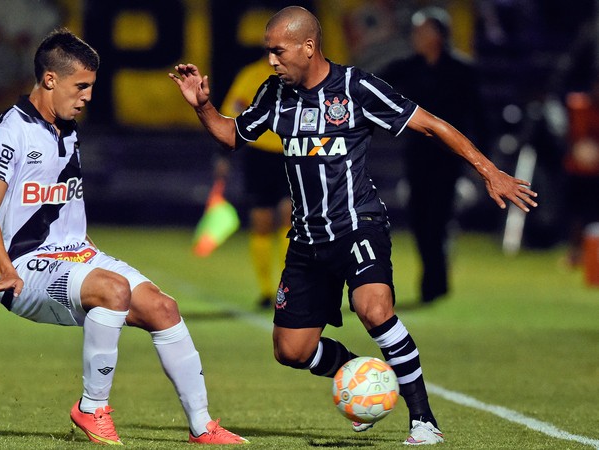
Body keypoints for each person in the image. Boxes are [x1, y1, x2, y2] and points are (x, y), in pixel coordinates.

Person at [170, 6, 537, 446]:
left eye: (277, 51)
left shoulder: (354, 87)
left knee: (374, 309)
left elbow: (431, 125)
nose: (271, 61)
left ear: (308, 47)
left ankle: (424, 421)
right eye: (268, 52)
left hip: (357, 225)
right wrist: (203, 105)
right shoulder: (275, 93)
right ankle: (369, 375)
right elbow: (233, 135)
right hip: (306, 240)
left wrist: (488, 170)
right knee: (291, 351)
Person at [0, 28, 247, 446]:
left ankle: (202, 426)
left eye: (91, 87)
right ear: (50, 80)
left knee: (164, 308)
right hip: (24, 267)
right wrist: (6, 270)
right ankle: (91, 408)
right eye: (80, 86)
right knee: (113, 290)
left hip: (77, 255)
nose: (87, 96)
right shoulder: (12, 130)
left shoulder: (66, 126)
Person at [376, 7, 487, 303]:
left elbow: (479, 116)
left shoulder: (462, 70)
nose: (417, 37)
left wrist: (482, 161)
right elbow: (375, 85)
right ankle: (434, 277)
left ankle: (434, 284)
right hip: (417, 156)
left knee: (438, 218)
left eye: (423, 31)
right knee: (420, 218)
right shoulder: (409, 67)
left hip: (448, 159)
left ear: (439, 35)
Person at [219, 57, 292, 308]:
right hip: (260, 156)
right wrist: (223, 153)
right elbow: (231, 113)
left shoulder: (302, 74)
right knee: (262, 222)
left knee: (289, 217)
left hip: (293, 153)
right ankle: (265, 291)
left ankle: (288, 287)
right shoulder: (251, 75)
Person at [564, 73, 599, 266]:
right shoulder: (579, 106)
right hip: (580, 171)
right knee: (577, 216)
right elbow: (578, 143)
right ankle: (575, 253)